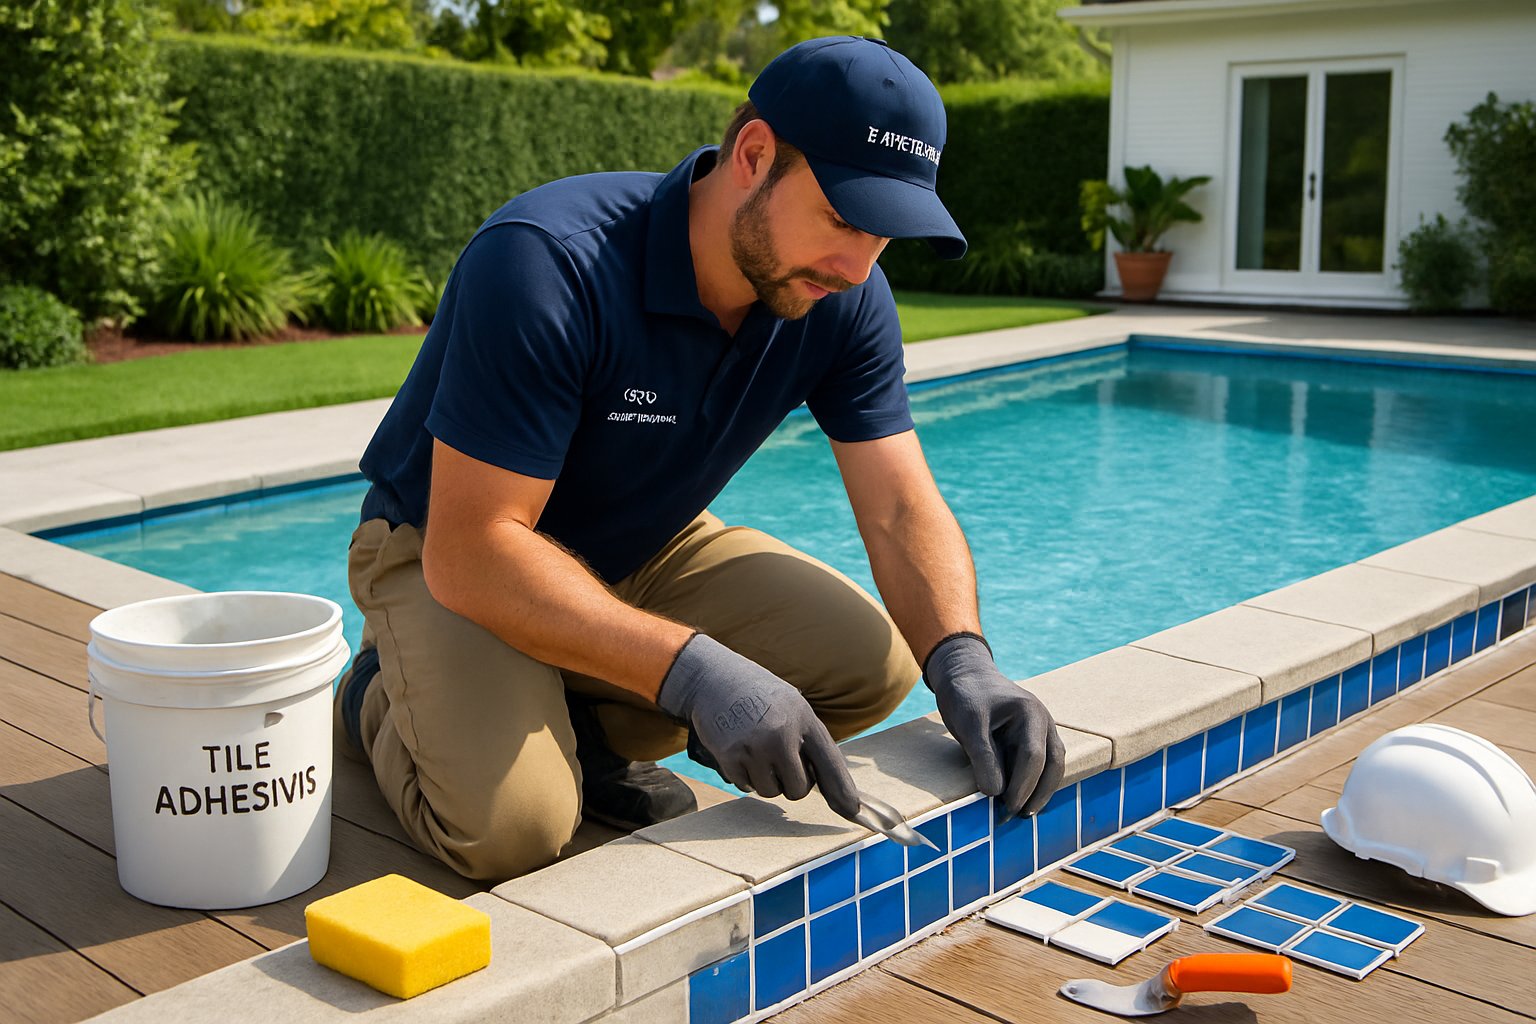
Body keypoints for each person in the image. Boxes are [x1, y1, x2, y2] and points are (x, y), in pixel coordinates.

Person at [332, 35, 1065, 882]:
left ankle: (581, 729)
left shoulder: (842, 294)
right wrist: (694, 675)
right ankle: (377, 699)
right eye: (843, 218)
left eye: (885, 236)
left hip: (645, 546)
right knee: (515, 833)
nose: (859, 263)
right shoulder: (548, 260)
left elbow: (900, 506)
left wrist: (965, 661)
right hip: (447, 551)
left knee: (876, 667)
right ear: (754, 155)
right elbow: (473, 546)